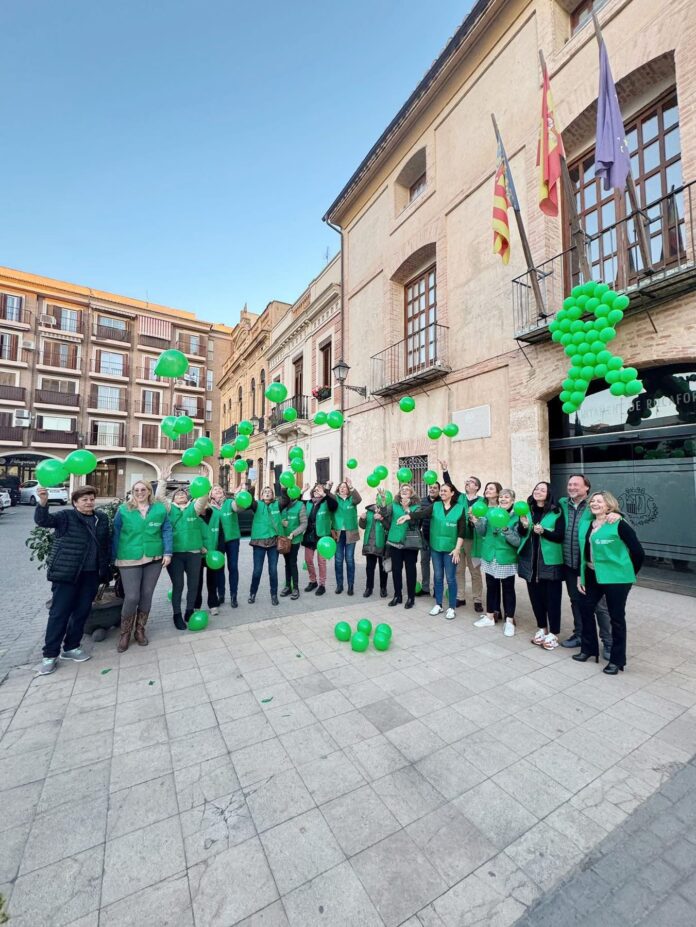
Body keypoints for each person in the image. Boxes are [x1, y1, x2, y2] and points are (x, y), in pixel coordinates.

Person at [35, 485, 112, 675]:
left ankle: (71, 647)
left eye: (91, 498)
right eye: (84, 499)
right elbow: (43, 520)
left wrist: (106, 567)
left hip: (91, 573)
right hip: (67, 573)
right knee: (59, 613)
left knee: (82, 611)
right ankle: (50, 655)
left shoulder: (100, 518)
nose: (89, 502)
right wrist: (43, 502)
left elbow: (105, 543)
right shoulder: (66, 517)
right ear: (75, 502)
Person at [574, 491, 644, 674]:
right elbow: (583, 552)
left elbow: (638, 552)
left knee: (617, 618)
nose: (594, 503)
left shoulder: (618, 523)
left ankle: (616, 660)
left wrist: (627, 574)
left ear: (609, 506)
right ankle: (588, 649)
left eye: (599, 501)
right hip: (591, 574)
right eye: (593, 501)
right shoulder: (589, 524)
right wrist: (581, 575)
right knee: (585, 608)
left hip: (616, 579)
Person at [559, 474, 616, 660]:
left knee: (600, 607)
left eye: (576, 484)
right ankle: (581, 635)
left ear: (586, 488)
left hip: (591, 566)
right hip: (569, 563)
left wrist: (617, 514)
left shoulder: (593, 505)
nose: (572, 487)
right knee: (576, 601)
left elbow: (610, 513)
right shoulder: (562, 504)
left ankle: (608, 642)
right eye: (570, 484)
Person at [113, 479, 172, 652]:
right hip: (128, 556)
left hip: (153, 556)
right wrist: (113, 557)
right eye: (136, 490)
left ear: (149, 491)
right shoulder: (124, 509)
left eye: (143, 489)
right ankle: (125, 633)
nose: (140, 492)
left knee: (146, 595)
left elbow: (166, 530)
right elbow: (116, 532)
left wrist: (168, 552)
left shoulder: (160, 509)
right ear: (132, 492)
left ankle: (140, 630)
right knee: (132, 597)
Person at [398, 482, 466, 619]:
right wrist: (408, 516)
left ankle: (452, 607)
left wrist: (458, 549)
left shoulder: (459, 508)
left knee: (451, 578)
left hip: (451, 550)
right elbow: (422, 514)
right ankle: (439, 604)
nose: (442, 493)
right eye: (441, 491)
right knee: (438, 576)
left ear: (452, 493)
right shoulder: (435, 506)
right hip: (436, 547)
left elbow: (462, 531)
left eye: (445, 491)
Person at [513, 482, 565, 650]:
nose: (538, 492)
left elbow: (560, 536)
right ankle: (542, 628)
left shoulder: (557, 512)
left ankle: (554, 633)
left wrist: (545, 532)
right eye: (536, 489)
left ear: (549, 493)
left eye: (542, 490)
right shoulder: (527, 510)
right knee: (535, 598)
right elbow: (521, 534)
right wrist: (523, 526)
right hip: (530, 561)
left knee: (553, 599)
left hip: (550, 562)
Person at [155, 469, 208, 629]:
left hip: (194, 553)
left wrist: (203, 481)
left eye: (183, 494)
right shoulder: (169, 510)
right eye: (178, 494)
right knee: (178, 585)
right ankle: (177, 615)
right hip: (176, 554)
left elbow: (203, 497)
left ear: (188, 497)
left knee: (194, 585)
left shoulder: (194, 508)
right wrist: (162, 481)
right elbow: (159, 497)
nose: (181, 495)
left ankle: (189, 611)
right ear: (173, 498)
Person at [472, 486, 519, 637]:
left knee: (508, 589)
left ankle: (509, 621)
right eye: (502, 497)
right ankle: (490, 616)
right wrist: (477, 522)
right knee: (491, 587)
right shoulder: (490, 512)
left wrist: (506, 529)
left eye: (507, 497)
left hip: (506, 558)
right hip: (490, 555)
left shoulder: (517, 516)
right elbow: (481, 532)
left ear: (512, 500)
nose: (503, 499)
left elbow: (517, 541)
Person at [441, 462, 484, 612]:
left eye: (471, 481)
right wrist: (445, 470)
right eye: (466, 481)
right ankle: (460, 597)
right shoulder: (459, 497)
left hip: (474, 541)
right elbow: (449, 484)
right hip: (458, 540)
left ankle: (477, 600)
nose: (467, 483)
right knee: (458, 570)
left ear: (477, 487)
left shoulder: (482, 501)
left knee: (475, 572)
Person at [384, 483, 422, 608]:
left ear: (412, 493)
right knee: (396, 570)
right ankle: (397, 595)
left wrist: (407, 510)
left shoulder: (417, 507)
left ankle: (411, 597)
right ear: (399, 493)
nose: (404, 491)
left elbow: (416, 523)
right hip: (394, 541)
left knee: (410, 570)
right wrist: (383, 502)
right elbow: (385, 514)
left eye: (407, 490)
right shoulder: (394, 505)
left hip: (409, 542)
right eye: (402, 489)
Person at [207, 484, 242, 609]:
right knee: (219, 569)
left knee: (233, 567)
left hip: (232, 540)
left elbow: (237, 507)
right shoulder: (209, 507)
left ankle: (234, 596)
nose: (218, 490)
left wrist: (237, 496)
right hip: (217, 542)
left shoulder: (230, 503)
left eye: (220, 489)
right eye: (215, 490)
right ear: (211, 494)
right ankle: (221, 594)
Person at [248, 486, 282, 605]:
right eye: (265, 492)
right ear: (261, 495)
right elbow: (249, 501)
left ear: (273, 495)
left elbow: (287, 499)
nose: (267, 493)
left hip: (273, 542)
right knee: (257, 570)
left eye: (269, 492)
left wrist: (282, 488)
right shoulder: (257, 505)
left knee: (273, 571)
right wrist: (252, 487)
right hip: (259, 542)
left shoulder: (277, 504)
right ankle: (252, 593)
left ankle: (274, 595)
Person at [302, 481, 337, 596]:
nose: (318, 491)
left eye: (320, 489)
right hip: (309, 535)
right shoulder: (308, 503)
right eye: (316, 489)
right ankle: (313, 581)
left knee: (321, 562)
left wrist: (325, 494)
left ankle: (322, 585)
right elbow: (295, 501)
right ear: (312, 492)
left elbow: (334, 505)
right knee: (308, 560)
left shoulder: (327, 502)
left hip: (323, 536)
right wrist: (302, 491)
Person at [330, 479, 362, 595]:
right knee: (338, 560)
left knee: (349, 559)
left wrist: (352, 487)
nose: (343, 488)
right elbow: (328, 497)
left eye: (345, 487)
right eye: (341, 487)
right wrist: (329, 486)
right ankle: (339, 585)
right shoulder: (335, 499)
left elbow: (359, 499)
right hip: (338, 533)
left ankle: (350, 586)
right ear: (338, 489)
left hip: (350, 532)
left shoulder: (352, 499)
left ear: (348, 490)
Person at [359, 489, 391, 598]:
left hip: (382, 543)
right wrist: (362, 519)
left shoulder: (387, 512)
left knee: (383, 568)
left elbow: (389, 526)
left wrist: (382, 518)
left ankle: (383, 588)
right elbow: (363, 526)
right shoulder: (369, 511)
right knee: (369, 567)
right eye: (379, 497)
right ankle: (369, 588)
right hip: (370, 544)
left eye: (383, 498)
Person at [278, 488, 308, 599]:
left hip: (294, 540)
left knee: (292, 563)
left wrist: (293, 534)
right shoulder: (283, 505)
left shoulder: (300, 505)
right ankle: (287, 586)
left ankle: (295, 588)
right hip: (284, 539)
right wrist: (281, 523)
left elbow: (304, 524)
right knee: (287, 563)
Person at [417, 478, 441, 597]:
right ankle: (425, 588)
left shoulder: (442, 502)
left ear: (439, 490)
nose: (432, 489)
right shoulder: (422, 501)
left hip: (438, 540)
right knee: (424, 562)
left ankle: (437, 589)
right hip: (425, 538)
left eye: (435, 488)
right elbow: (420, 519)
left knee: (437, 565)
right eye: (430, 487)